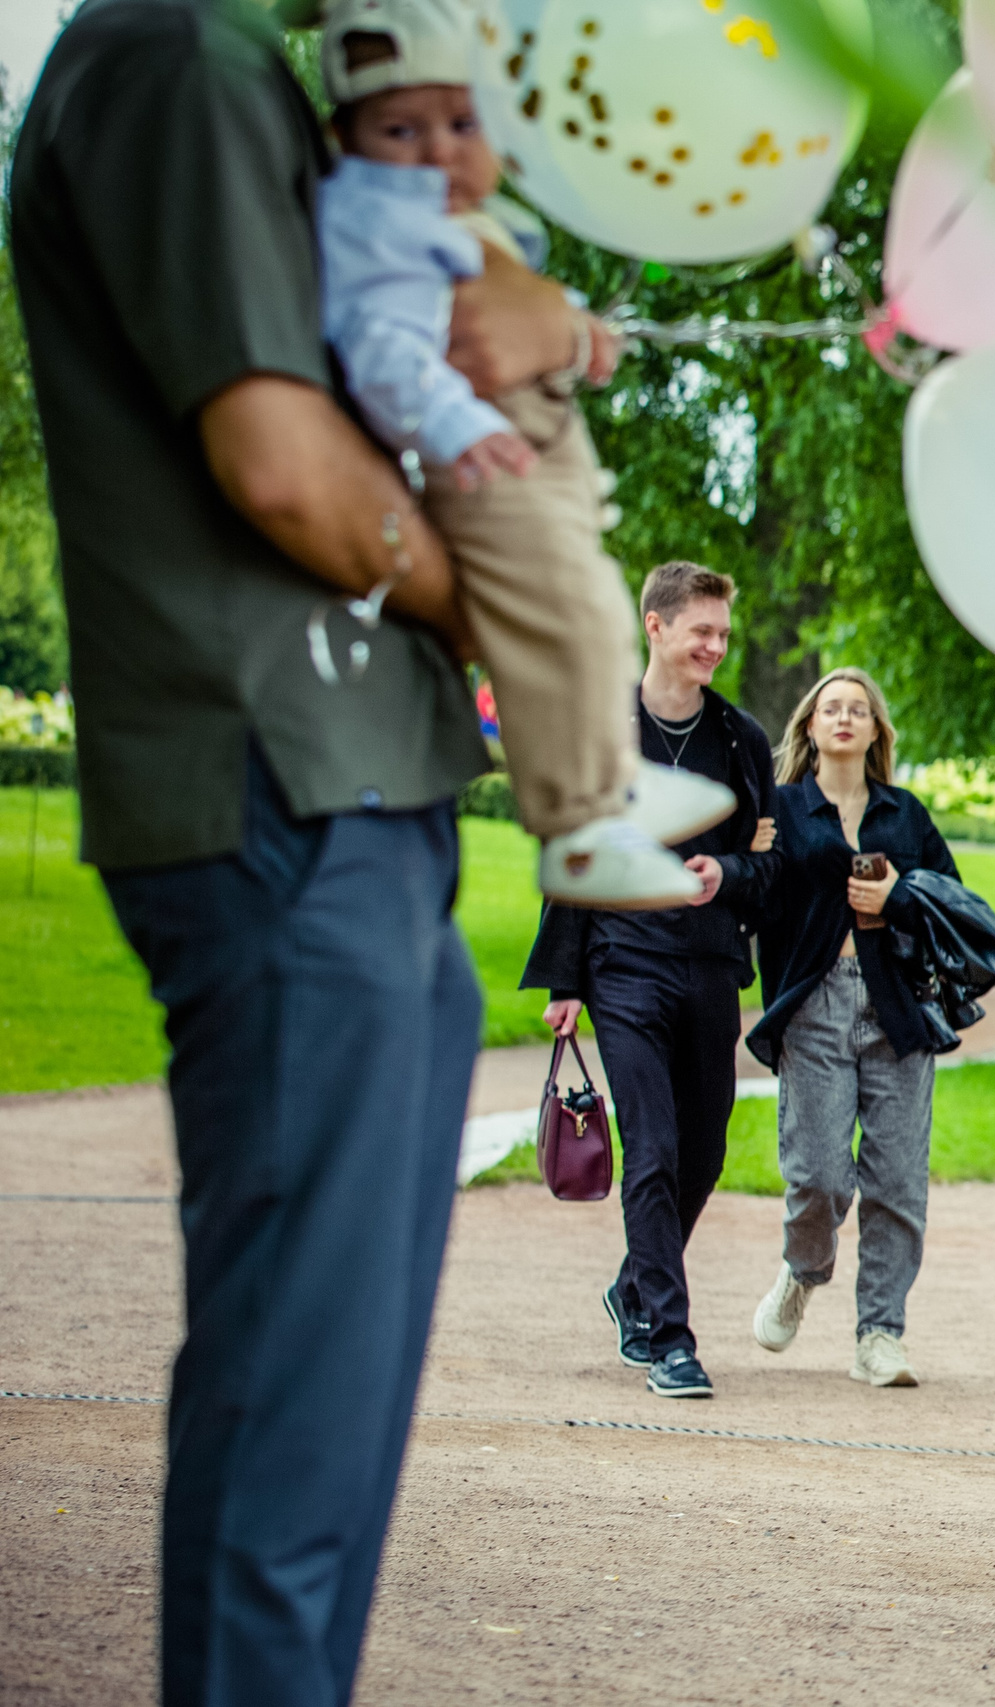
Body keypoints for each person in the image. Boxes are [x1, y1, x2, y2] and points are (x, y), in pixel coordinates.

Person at [10, 0, 579, 1698]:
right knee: (298, 1409)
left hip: (354, 790)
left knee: (331, 1412)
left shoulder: (251, 75)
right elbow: (283, 466)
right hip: (282, 790)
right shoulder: (176, 55)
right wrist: (537, 616)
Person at [312, 0, 725, 906]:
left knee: (598, 608)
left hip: (528, 448)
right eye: (401, 130)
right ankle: (576, 824)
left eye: (464, 125)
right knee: (558, 614)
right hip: (483, 462)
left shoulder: (460, 217)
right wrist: (456, 425)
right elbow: (385, 352)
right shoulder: (375, 224)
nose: (438, 152)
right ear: (345, 141)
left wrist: (571, 330)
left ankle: (610, 780)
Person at [524, 563, 776, 1400]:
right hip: (622, 965)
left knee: (704, 1152)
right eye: (702, 630)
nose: (715, 646)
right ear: (655, 625)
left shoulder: (740, 740)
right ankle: (669, 1338)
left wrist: (727, 873)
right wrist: (564, 979)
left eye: (723, 633)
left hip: (710, 964)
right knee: (654, 1148)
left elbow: (768, 863)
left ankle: (633, 1285)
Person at [743, 667, 962, 1388]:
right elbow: (755, 902)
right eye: (831, 708)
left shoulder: (905, 814)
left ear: (874, 731)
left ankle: (880, 1334)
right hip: (814, 1005)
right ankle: (803, 1269)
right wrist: (752, 854)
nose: (843, 718)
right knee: (818, 1175)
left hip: (896, 1008)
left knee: (897, 1180)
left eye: (857, 710)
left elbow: (951, 903)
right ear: (810, 725)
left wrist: (897, 897)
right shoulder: (781, 808)